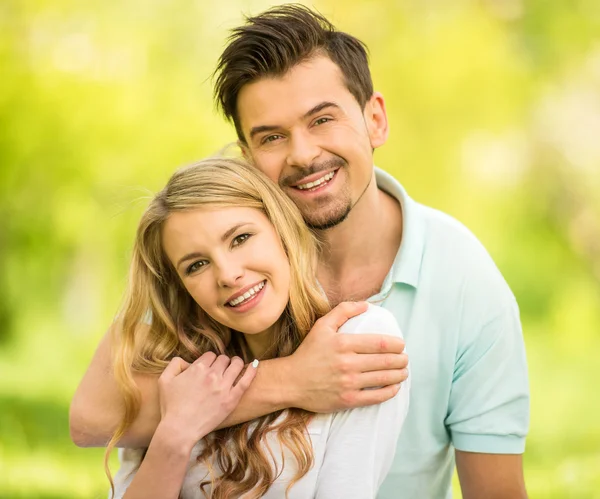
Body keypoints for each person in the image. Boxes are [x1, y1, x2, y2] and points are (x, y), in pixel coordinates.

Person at [70, 4, 529, 498]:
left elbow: (496, 490)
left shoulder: (462, 278)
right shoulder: (223, 260)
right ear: (247, 158)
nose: (303, 154)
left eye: (323, 119)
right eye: (271, 137)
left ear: (374, 119)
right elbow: (92, 418)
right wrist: (288, 381)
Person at [105, 157, 409, 498]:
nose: (227, 275)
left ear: (281, 228)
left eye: (240, 238)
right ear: (181, 286)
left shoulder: (356, 340)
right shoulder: (175, 370)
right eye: (197, 265)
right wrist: (175, 433)